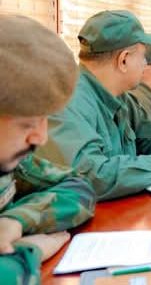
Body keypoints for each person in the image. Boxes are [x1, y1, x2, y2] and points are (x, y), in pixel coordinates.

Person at [37, 10, 151, 201]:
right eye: (143, 57)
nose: (146, 64)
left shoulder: (121, 97)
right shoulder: (67, 101)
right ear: (124, 60)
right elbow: (91, 176)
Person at [0, 15, 96, 283]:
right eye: (27, 124)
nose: (41, 137)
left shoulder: (10, 160)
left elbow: (78, 186)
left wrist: (18, 220)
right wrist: (27, 254)